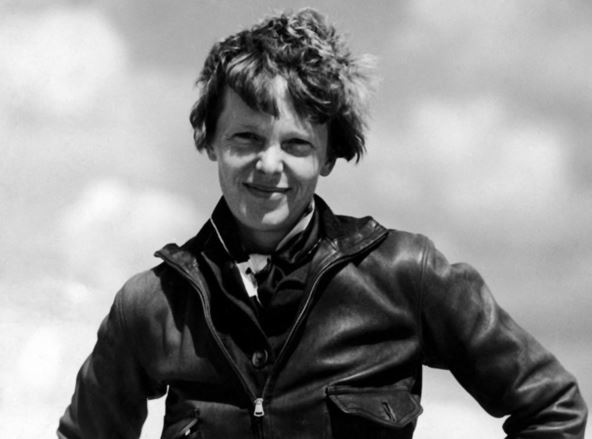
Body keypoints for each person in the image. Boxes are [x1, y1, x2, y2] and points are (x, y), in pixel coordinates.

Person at [58, 8, 587, 439]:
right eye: (246, 138)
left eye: (295, 144)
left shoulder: (408, 274)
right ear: (210, 139)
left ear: (329, 155)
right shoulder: (150, 305)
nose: (269, 164)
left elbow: (553, 409)